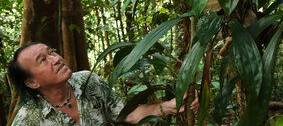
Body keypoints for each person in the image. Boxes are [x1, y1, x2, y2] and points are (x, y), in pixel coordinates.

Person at [8, 42, 198, 125]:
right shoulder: (28, 119)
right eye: (43, 60)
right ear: (32, 82)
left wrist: (171, 106)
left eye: (52, 52)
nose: (56, 59)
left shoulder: (88, 81)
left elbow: (125, 116)